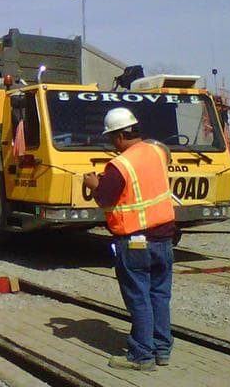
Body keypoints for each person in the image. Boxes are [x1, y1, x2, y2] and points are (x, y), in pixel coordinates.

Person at [83, 107, 176, 372]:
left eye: (112, 138)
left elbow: (105, 197)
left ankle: (141, 356)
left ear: (118, 137)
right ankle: (162, 350)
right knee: (159, 295)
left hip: (135, 242)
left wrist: (93, 185)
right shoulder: (157, 152)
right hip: (164, 239)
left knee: (139, 298)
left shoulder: (119, 165)